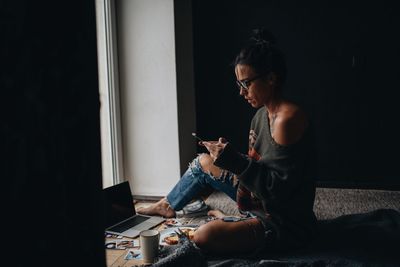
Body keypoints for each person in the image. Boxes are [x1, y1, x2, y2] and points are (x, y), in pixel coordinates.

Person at [138, 28, 317, 254]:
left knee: (205, 235)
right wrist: (224, 156)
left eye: (246, 84)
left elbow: (278, 194)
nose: (242, 93)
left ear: (271, 78)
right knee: (203, 162)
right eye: (239, 85)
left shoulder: (287, 120)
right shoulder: (261, 115)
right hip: (259, 200)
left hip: (282, 222)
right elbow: (259, 169)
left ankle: (234, 222)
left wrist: (233, 161)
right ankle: (167, 205)